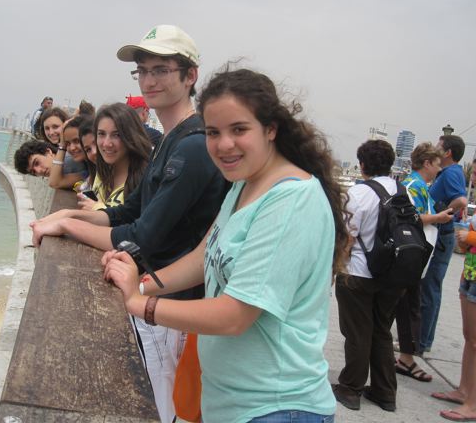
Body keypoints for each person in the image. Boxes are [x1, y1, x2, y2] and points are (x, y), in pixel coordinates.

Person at [103, 68, 348, 422]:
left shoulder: (291, 200)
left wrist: (141, 304)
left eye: (239, 129)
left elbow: (234, 315)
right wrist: (139, 283)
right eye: (213, 132)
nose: (224, 145)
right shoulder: (244, 183)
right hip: (230, 404)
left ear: (270, 129)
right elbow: (203, 257)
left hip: (276, 407)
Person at [30, 24, 226, 422]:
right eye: (143, 70)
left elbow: (142, 236)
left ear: (190, 76)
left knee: (166, 410)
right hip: (160, 298)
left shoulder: (192, 146)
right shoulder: (170, 140)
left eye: (161, 70)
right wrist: (68, 213)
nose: (149, 80)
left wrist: (68, 227)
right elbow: (130, 209)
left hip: (173, 307)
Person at [333, 139, 405, 412]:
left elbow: (348, 238)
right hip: (393, 274)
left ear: (362, 165)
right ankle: (385, 393)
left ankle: (350, 388)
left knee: (357, 332)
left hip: (359, 272)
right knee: (381, 331)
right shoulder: (402, 191)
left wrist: (336, 269)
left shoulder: (359, 193)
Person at [394, 142, 454, 382]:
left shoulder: (416, 185)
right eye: (437, 164)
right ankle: (404, 358)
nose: (439, 169)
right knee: (408, 306)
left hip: (416, 256)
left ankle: (404, 357)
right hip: (412, 257)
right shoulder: (414, 186)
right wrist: (439, 217)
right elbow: (413, 218)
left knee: (407, 305)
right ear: (427, 163)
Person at [420, 135, 468, 354]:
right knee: (432, 287)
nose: (435, 148)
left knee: (429, 287)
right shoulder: (449, 173)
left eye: (439, 145)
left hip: (441, 235)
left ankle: (421, 341)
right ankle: (424, 339)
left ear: (448, 152)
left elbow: (462, 200)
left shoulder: (450, 173)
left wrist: (443, 215)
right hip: (442, 235)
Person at [433, 213, 476, 421]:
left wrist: (470, 237)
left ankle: (473, 404)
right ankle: (464, 390)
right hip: (470, 272)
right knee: (470, 338)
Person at [77, 103, 151, 211]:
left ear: (131, 136)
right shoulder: (101, 170)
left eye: (116, 135)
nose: (107, 143)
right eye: (101, 134)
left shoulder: (146, 180)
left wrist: (97, 208)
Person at [48, 115, 89, 190]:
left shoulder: (105, 164)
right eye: (68, 143)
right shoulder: (88, 171)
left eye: (77, 141)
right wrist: (62, 145)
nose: (72, 148)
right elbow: (54, 183)